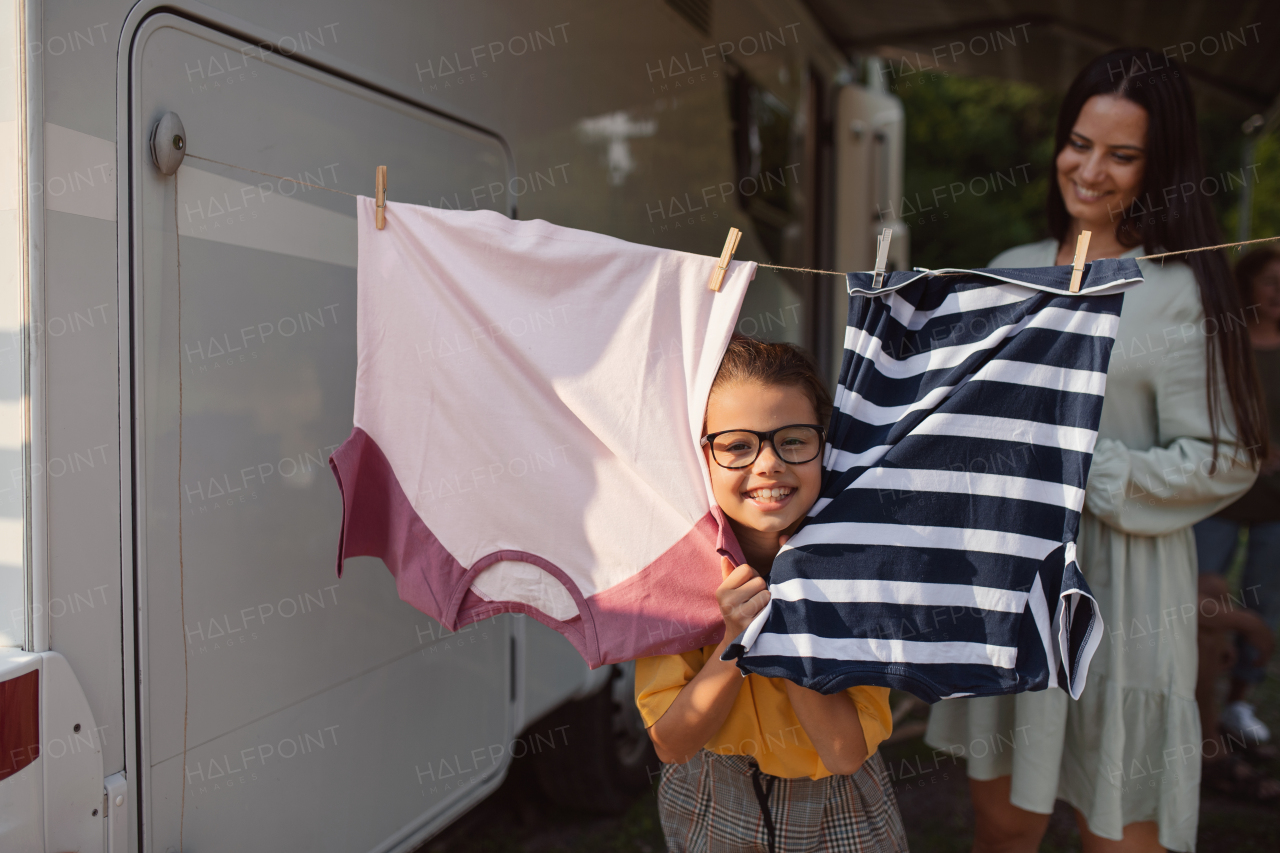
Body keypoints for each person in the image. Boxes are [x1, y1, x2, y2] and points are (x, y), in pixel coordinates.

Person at [924, 47, 1266, 853]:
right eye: (1079, 143)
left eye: (1122, 154)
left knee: (1119, 833)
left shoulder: (1182, 291)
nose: (1090, 169)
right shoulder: (1008, 271)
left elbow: (1228, 456)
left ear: (1162, 165)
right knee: (1002, 824)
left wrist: (1078, 463)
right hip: (1010, 581)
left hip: (1129, 590)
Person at [635, 335, 907, 853]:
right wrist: (735, 641)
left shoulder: (858, 573)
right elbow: (672, 744)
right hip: (714, 798)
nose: (768, 464)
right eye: (738, 445)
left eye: (794, 440)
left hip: (838, 804)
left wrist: (786, 631)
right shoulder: (671, 577)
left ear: (824, 445)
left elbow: (845, 754)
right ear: (703, 456)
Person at [1192, 247, 1280, 798]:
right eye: (1270, 282)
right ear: (1247, 285)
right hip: (1216, 498)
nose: (1277, 294)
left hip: (1276, 503)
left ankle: (1237, 708)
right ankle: (1197, 724)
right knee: (1197, 603)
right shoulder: (1222, 344)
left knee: (1266, 603)